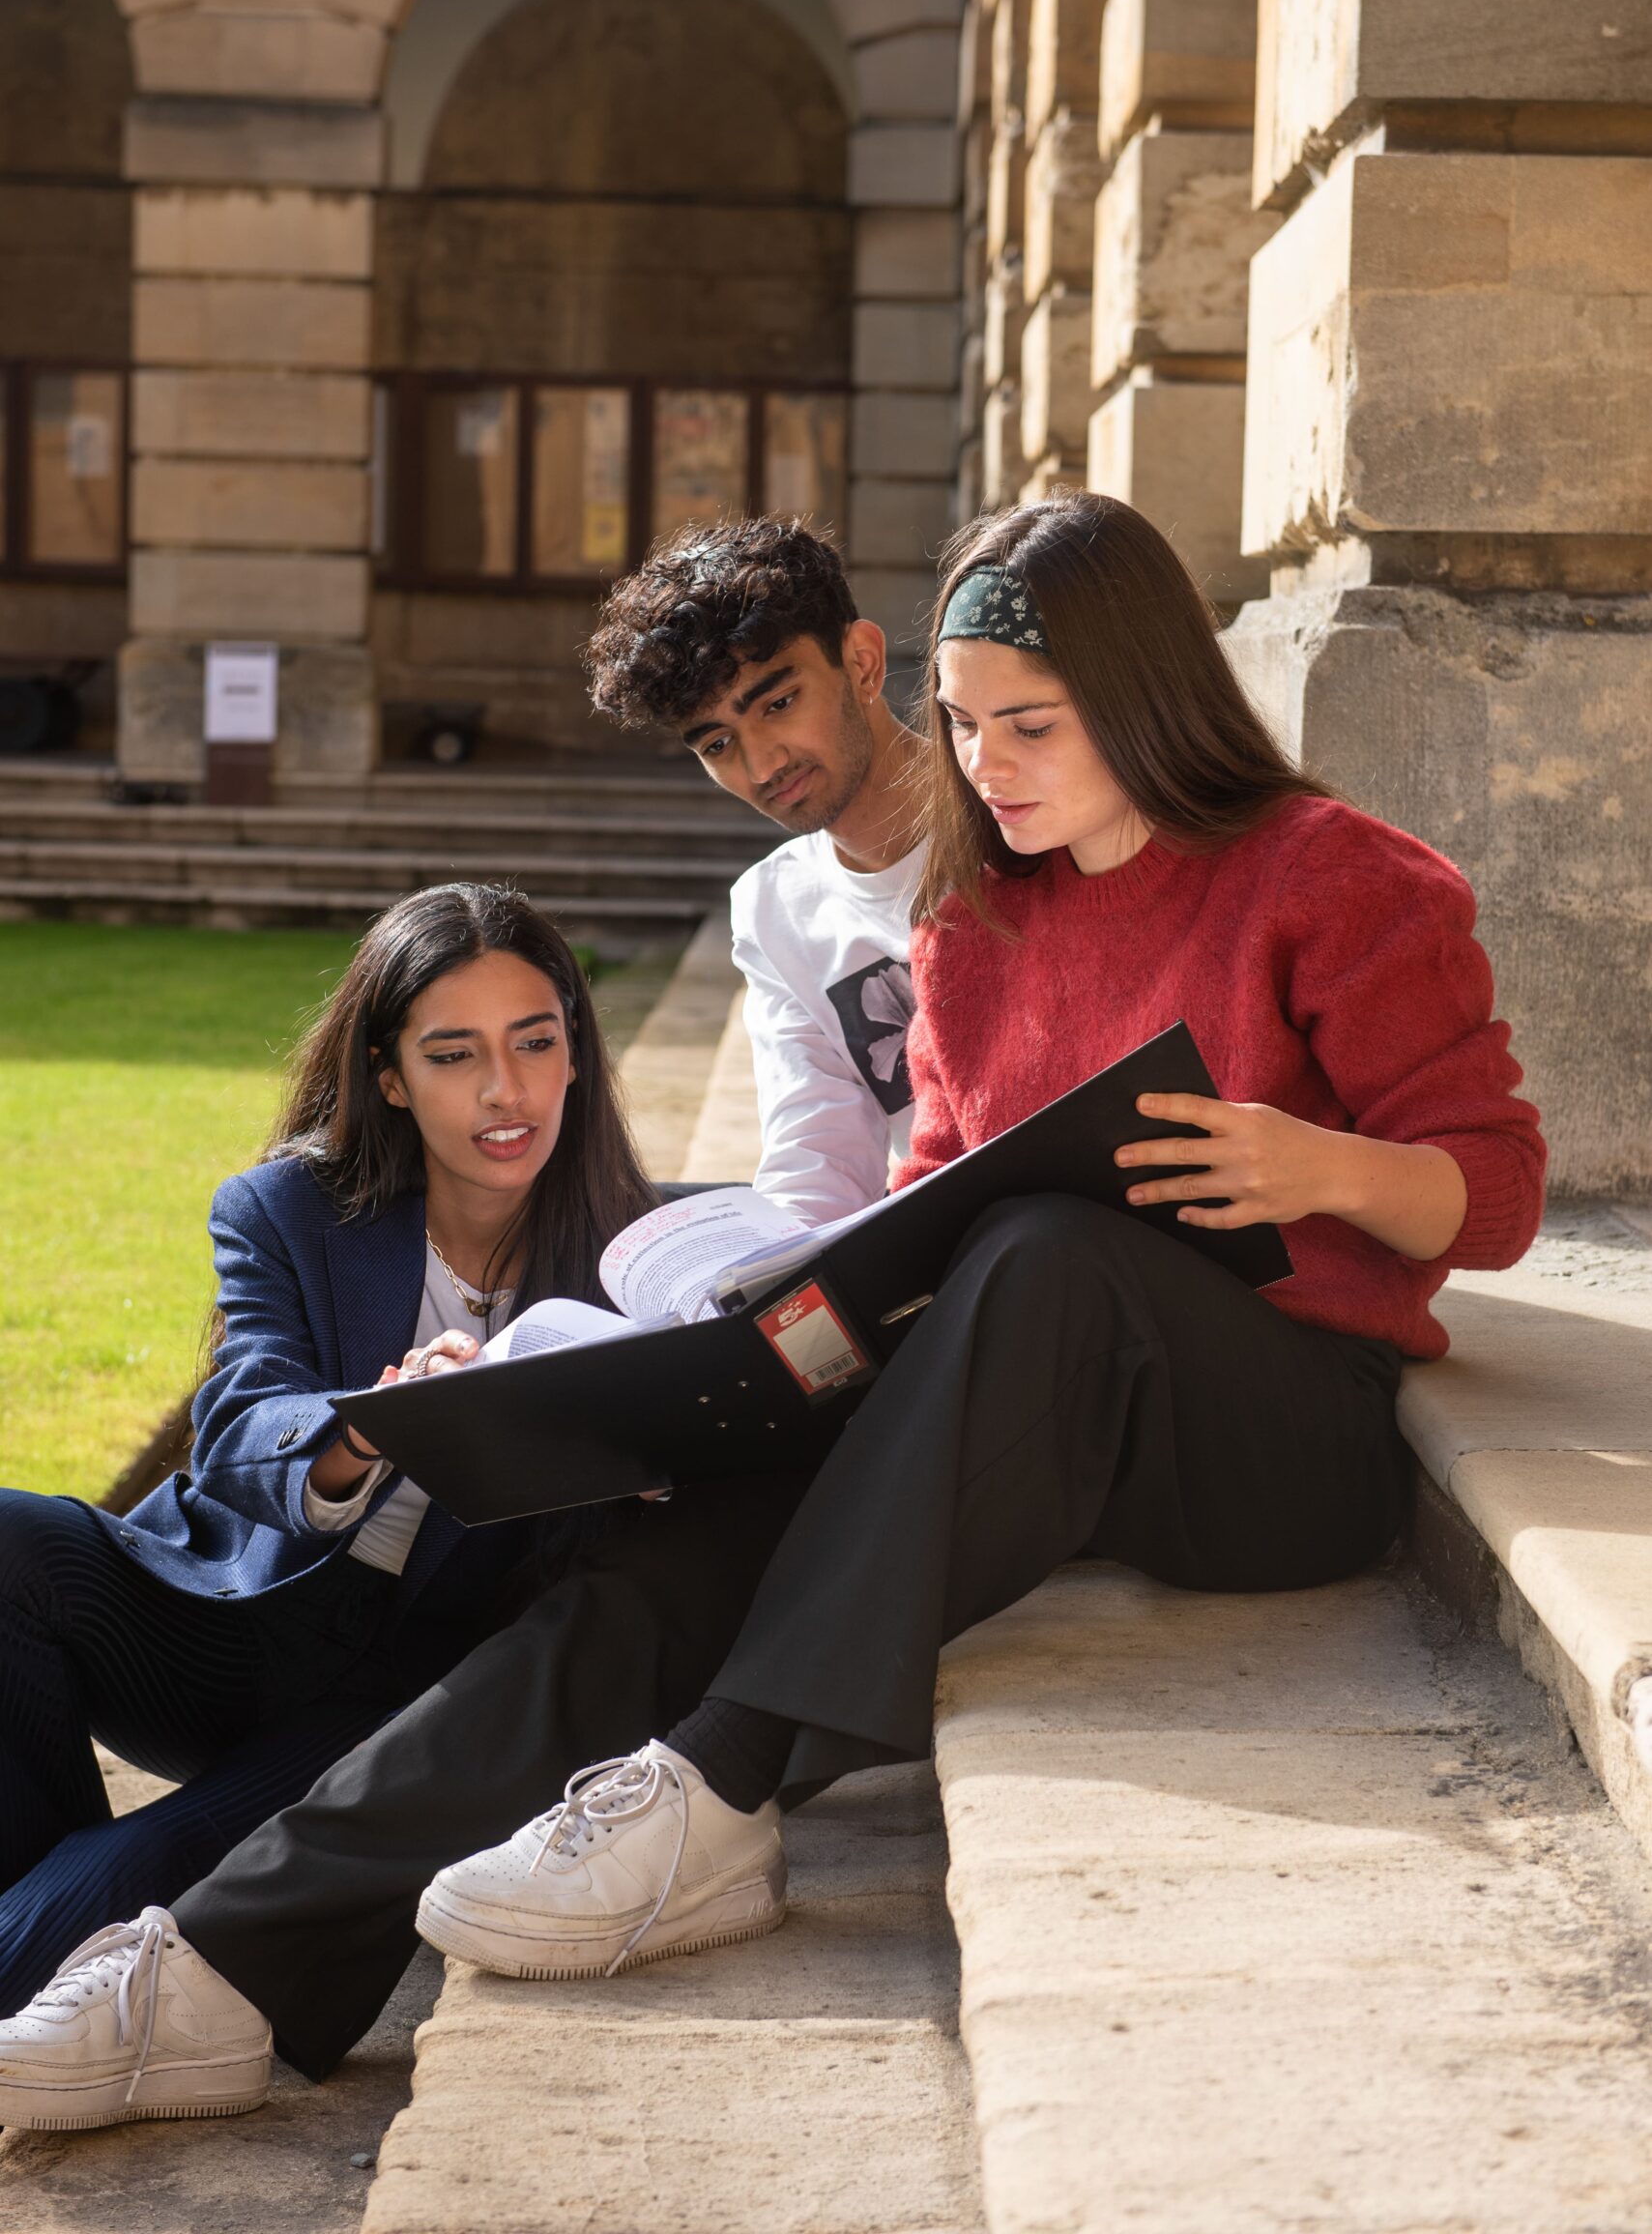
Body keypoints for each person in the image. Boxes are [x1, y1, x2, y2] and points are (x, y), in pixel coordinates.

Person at [0, 495, 1547, 2132]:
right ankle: (216, 1975)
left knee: (1044, 1251)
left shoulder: (1335, 877)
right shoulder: (975, 921)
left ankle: (726, 1778)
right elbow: (929, 1202)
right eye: (959, 725)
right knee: (664, 1540)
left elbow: (1497, 1191)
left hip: (1287, 1431)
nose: (981, 763)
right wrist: (744, 1370)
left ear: (1143, 695)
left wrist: (1313, 1165)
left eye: (1024, 724)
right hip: (1036, 1423)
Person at [0, 881, 652, 2120]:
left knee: (135, 1868)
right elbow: (243, 1416)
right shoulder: (289, 1209)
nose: (503, 1092)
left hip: (391, 1701)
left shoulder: (642, 1253)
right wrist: (374, 1419)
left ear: (575, 1046)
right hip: (223, 1619)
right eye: (453, 1055)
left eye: (534, 1042)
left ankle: (42, 1942)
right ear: (392, 1075)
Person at [585, 517, 925, 1228]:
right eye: (717, 743)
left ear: (861, 664)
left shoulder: (1021, 814)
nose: (763, 765)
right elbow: (818, 1164)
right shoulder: (775, 909)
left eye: (778, 703)